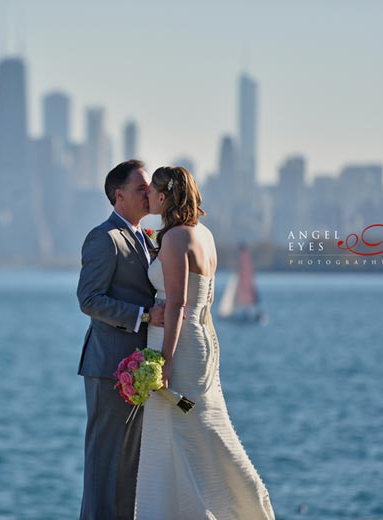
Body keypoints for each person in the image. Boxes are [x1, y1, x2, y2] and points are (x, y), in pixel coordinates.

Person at [133, 166, 275, 519]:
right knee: (200, 428)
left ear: (164, 196)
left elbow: (178, 302)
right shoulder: (204, 234)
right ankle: (240, 507)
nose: (147, 195)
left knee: (181, 434)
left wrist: (164, 360)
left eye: (152, 190)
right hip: (200, 340)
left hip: (177, 346)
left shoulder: (176, 238)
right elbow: (203, 302)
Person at [77, 160, 164, 520]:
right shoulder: (105, 238)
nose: (150, 193)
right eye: (141, 188)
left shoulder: (145, 237)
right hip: (109, 367)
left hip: (138, 366)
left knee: (131, 463)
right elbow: (89, 299)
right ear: (119, 194)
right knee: (105, 461)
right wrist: (143, 316)